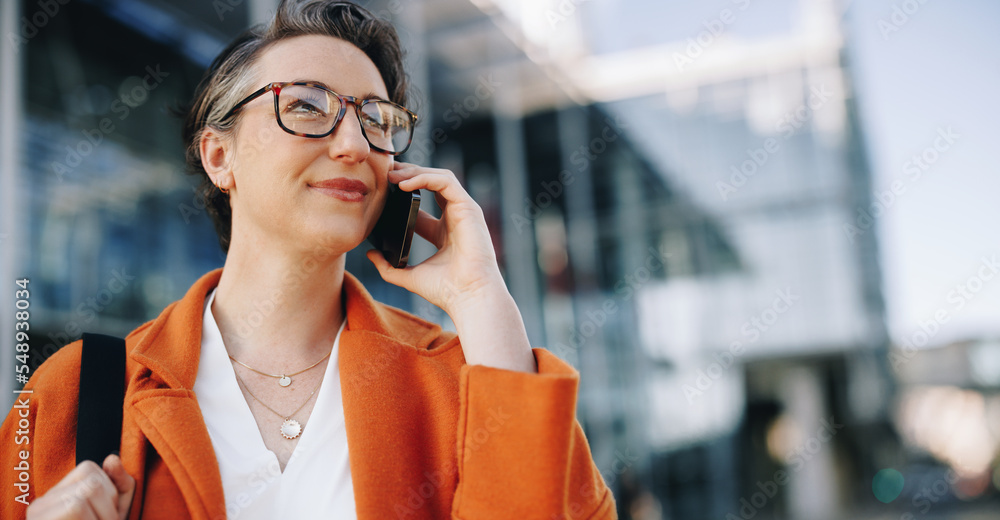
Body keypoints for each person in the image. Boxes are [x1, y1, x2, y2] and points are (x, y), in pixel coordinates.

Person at [1, 1, 617, 518]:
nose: (354, 144)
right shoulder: (75, 391)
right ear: (220, 157)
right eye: (305, 107)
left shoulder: (467, 380)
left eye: (377, 120)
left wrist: (483, 299)